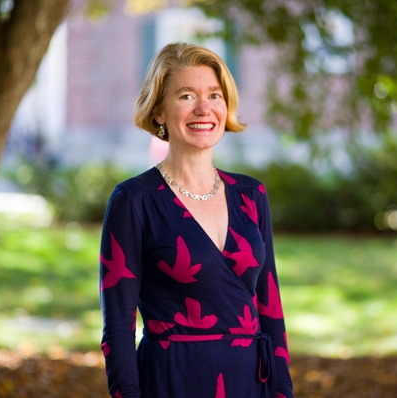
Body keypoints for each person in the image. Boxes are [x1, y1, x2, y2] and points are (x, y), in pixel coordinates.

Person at [99, 42, 294, 398]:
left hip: (251, 383)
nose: (204, 108)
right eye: (186, 96)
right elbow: (118, 327)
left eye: (215, 95)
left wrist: (283, 392)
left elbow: (271, 309)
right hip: (171, 381)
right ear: (159, 111)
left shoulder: (251, 195)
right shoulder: (134, 201)